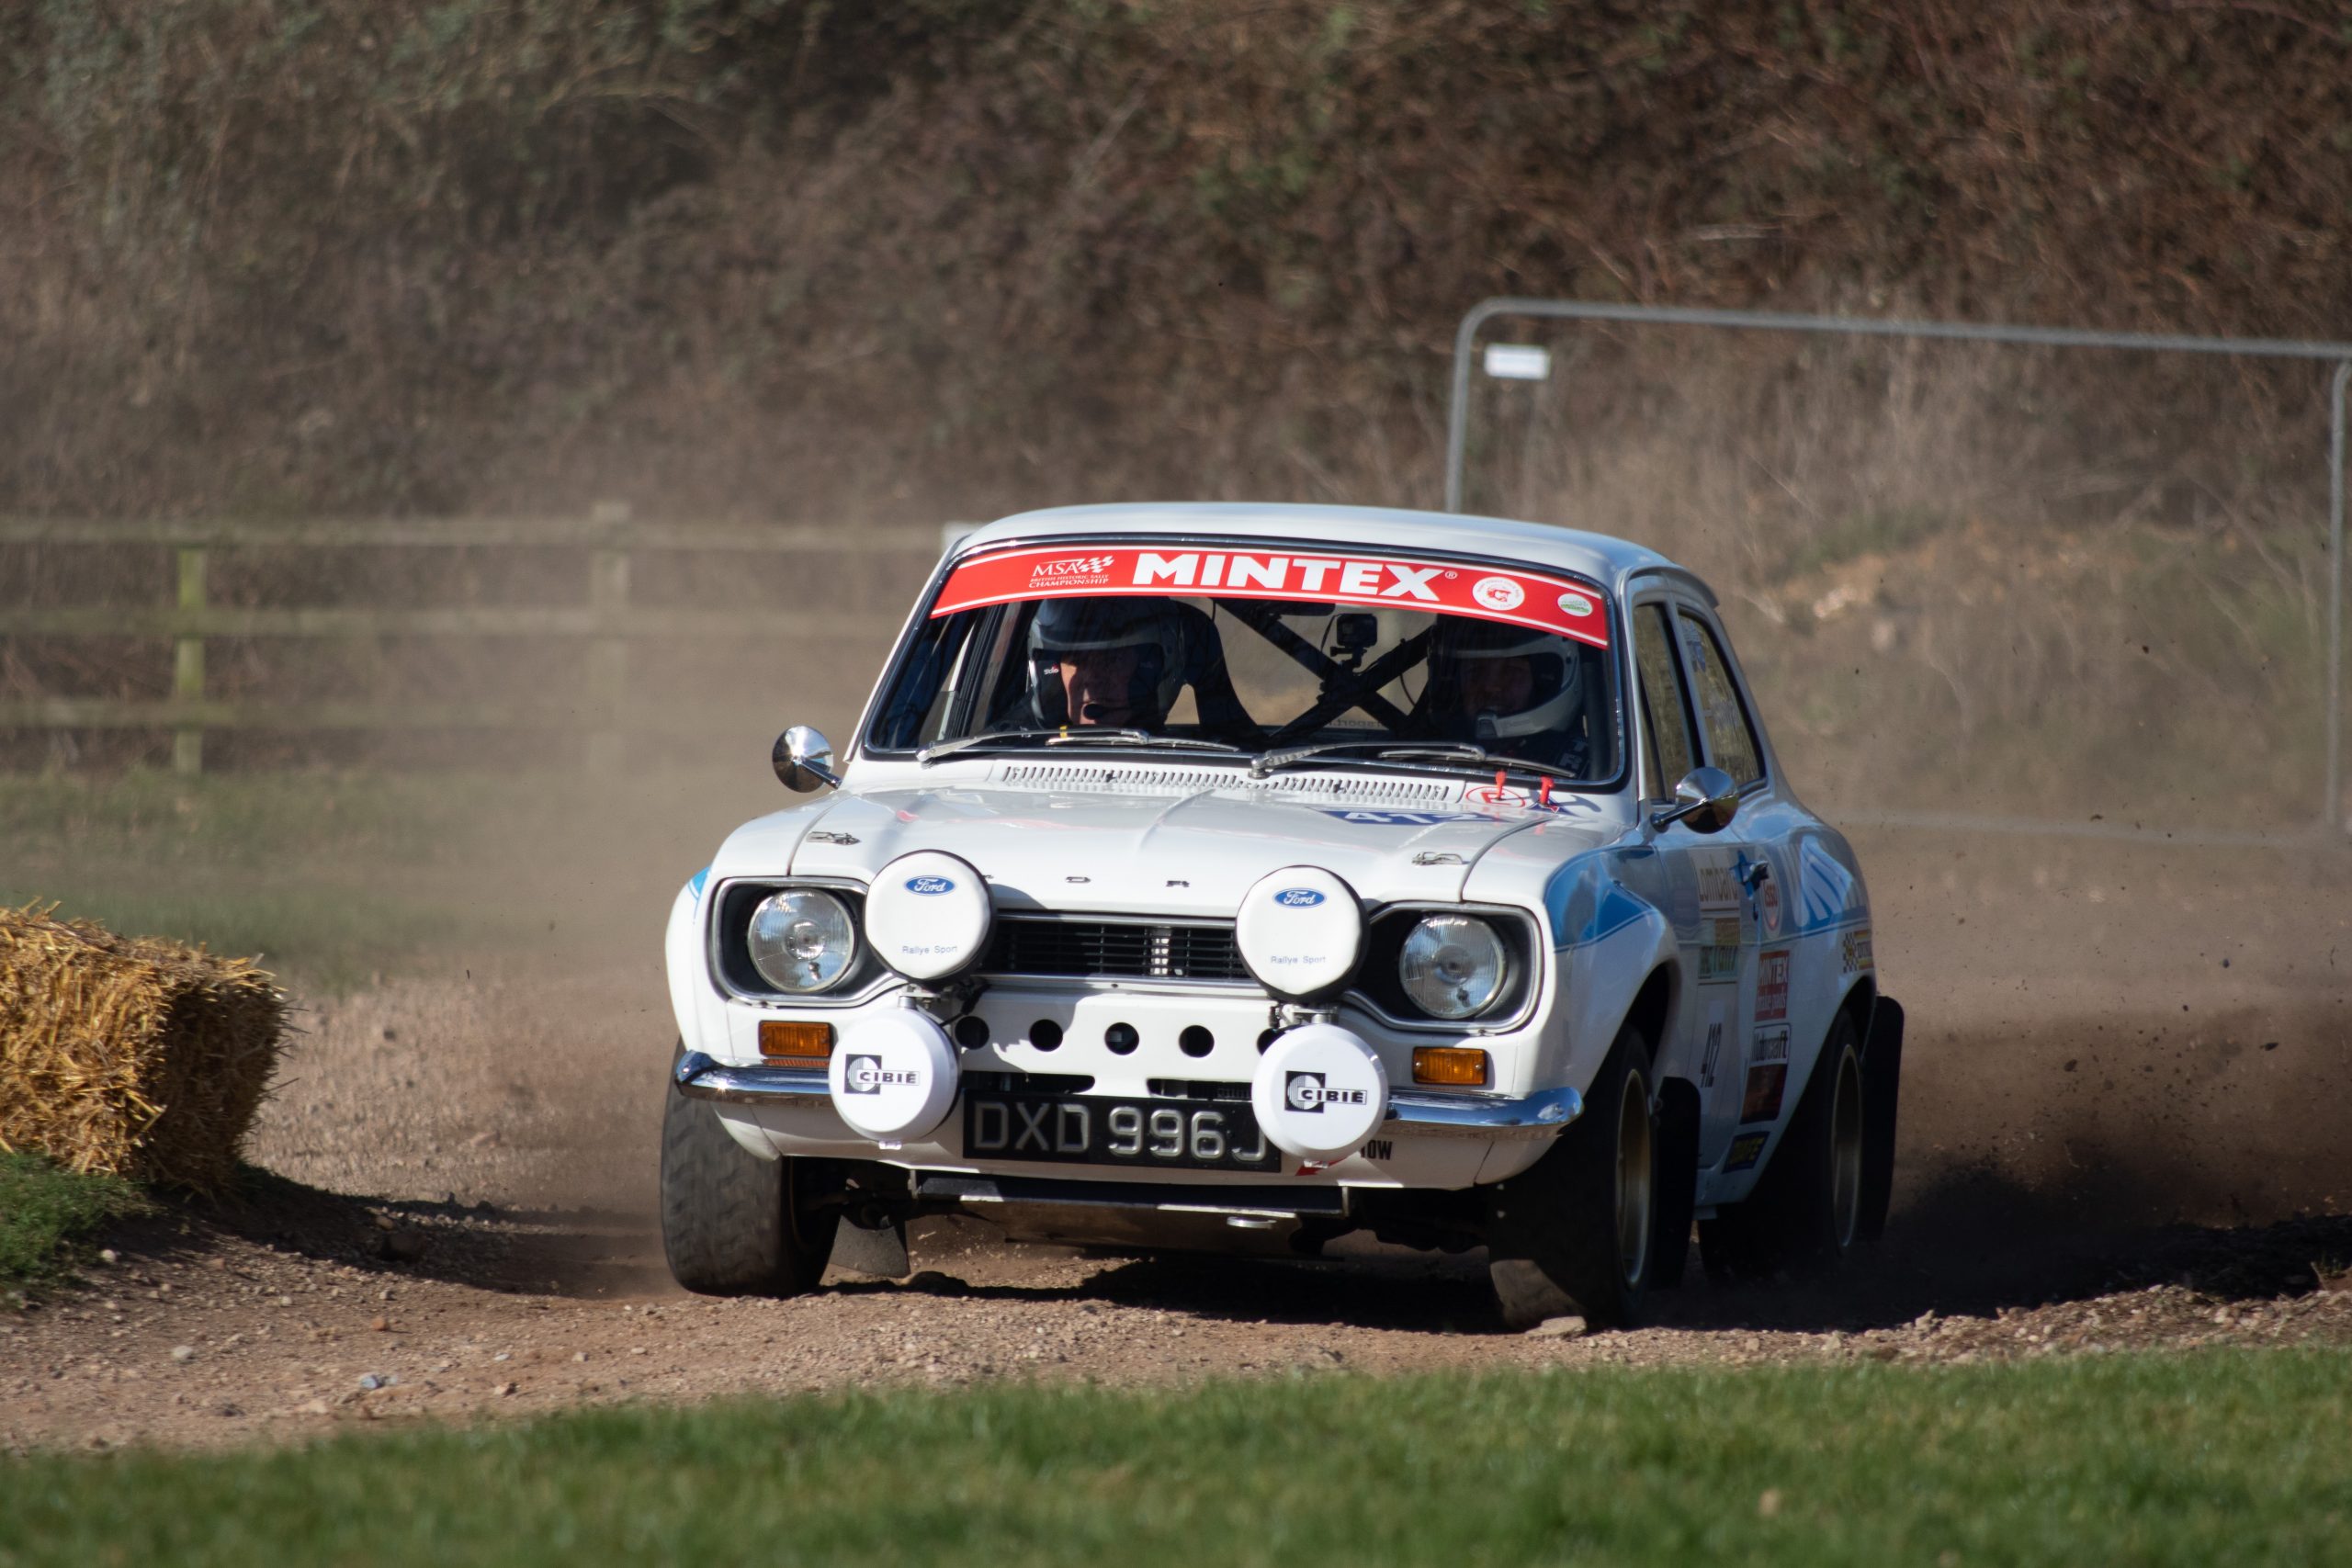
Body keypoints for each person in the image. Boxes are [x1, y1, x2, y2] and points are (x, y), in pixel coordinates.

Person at [1022, 596, 1253, 736]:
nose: (1092, 680)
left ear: (1158, 667)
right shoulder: (1007, 754)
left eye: (1111, 660)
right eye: (1076, 660)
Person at [1422, 619, 1589, 773]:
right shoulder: (1418, 752)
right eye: (1476, 671)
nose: (1490, 686)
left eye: (1511, 671)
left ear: (1547, 684)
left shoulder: (1590, 771)